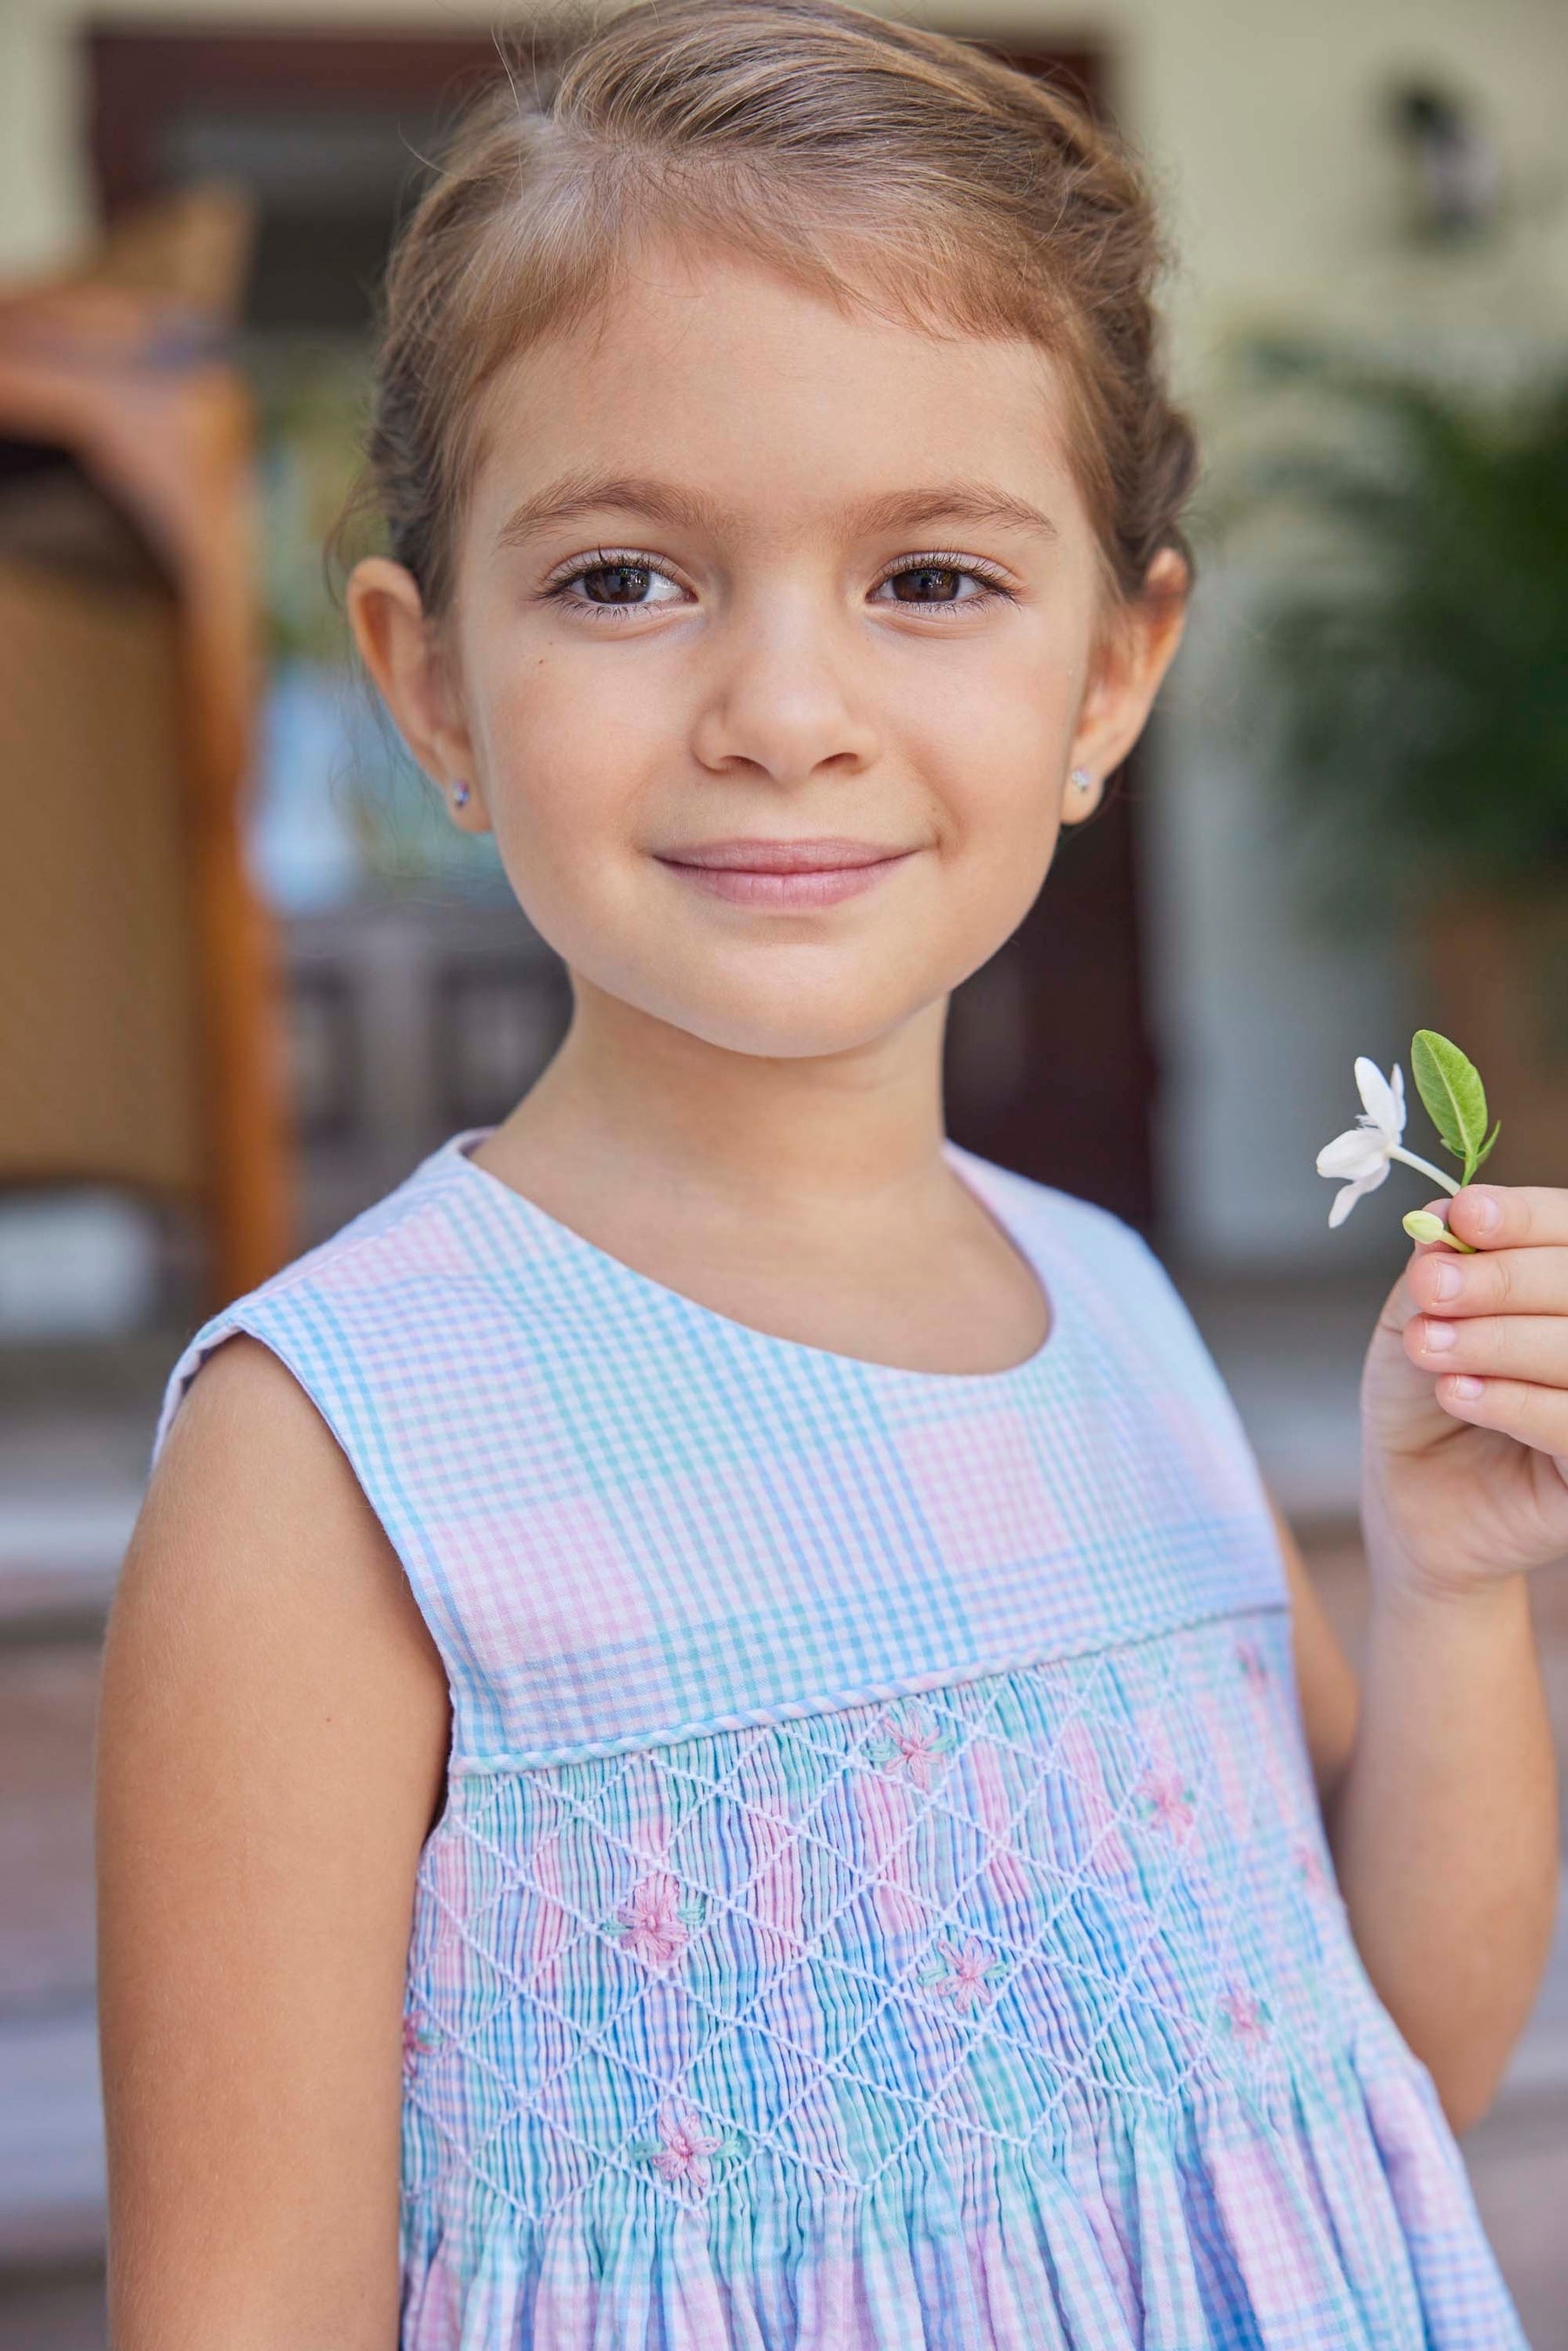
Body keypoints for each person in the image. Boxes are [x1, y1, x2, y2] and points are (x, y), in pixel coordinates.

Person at [95, 4, 1561, 2344]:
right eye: (623, 580)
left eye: (934, 581)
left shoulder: (1120, 1326)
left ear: (1112, 674)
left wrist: (1456, 1577)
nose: (787, 708)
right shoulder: (338, 1456)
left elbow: (1388, 2067)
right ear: (433, 681)